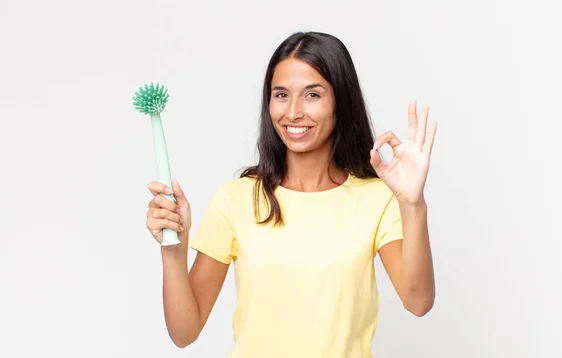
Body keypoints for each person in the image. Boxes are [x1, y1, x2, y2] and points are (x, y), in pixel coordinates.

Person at [145, 31, 437, 358]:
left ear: (341, 101)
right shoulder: (235, 200)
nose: (294, 112)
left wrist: (413, 204)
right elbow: (185, 332)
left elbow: (418, 301)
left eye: (312, 95)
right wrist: (174, 248)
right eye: (281, 95)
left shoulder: (376, 199)